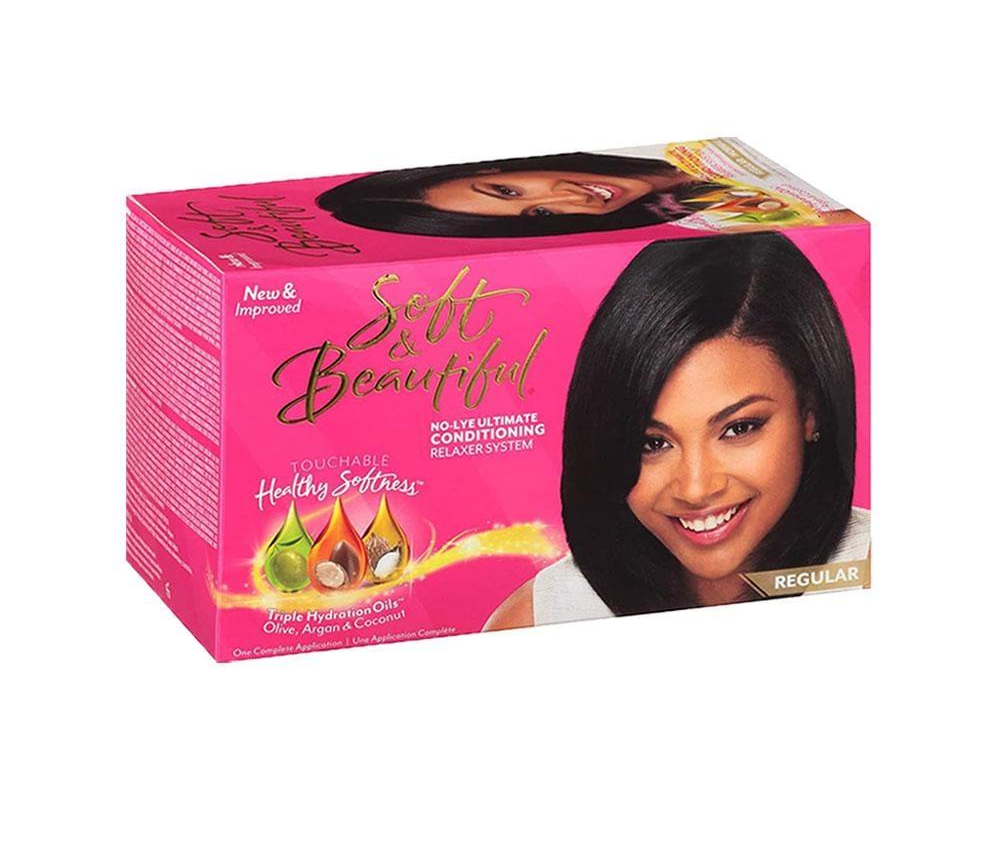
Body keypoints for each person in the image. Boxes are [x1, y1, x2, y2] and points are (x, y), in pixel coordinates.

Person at [485, 230, 869, 629]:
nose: (696, 489)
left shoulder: (874, 571)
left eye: (739, 428)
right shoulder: (540, 618)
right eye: (652, 443)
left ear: (811, 412)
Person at [315, 151, 729, 237]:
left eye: (506, 190)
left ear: (491, 167)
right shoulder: (716, 221)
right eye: (541, 215)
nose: (571, 200)